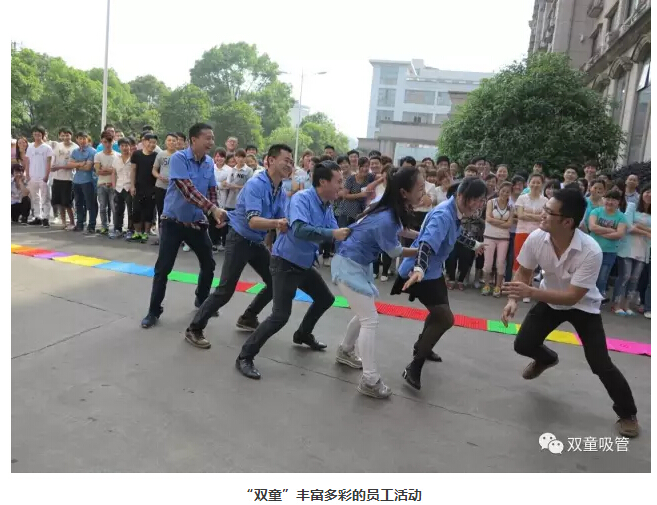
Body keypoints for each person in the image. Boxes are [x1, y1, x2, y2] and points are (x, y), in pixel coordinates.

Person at [501, 188, 639, 438]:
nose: (542, 214)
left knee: (600, 363)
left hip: (583, 306)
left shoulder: (591, 251)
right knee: (523, 344)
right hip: (549, 299)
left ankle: (628, 414)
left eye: (548, 211)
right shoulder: (537, 238)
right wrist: (513, 299)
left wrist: (530, 292)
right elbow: (524, 272)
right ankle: (546, 359)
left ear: (567, 222)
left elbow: (572, 297)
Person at [236, 161, 351, 379]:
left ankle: (303, 334)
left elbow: (335, 231)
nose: (341, 186)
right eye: (338, 181)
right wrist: (333, 235)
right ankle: (245, 356)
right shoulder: (302, 199)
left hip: (304, 263)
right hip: (285, 263)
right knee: (280, 316)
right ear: (323, 182)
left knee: (325, 299)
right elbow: (299, 229)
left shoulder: (327, 205)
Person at [184, 144, 293, 347]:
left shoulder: (279, 189)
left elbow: (284, 218)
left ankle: (248, 317)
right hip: (240, 239)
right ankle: (194, 329)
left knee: (275, 282)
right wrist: (278, 224)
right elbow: (254, 221)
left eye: (291, 161)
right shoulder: (256, 185)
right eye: (286, 160)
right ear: (270, 160)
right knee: (225, 290)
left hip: (256, 242)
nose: (290, 164)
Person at [332, 167, 424, 398]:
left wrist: (421, 235)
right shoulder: (386, 217)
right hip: (348, 264)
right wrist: (422, 250)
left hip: (357, 264)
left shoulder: (391, 209)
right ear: (404, 192)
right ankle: (370, 380)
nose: (423, 192)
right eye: (420, 188)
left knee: (365, 313)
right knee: (370, 319)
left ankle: (345, 350)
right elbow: (394, 251)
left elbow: (401, 230)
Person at [393, 177, 488, 390]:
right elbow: (426, 245)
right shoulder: (443, 215)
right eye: (476, 199)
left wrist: (474, 244)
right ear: (461, 196)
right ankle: (414, 366)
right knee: (445, 318)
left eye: (482, 200)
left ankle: (422, 346)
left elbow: (454, 234)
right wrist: (419, 269)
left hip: (433, 272)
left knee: (438, 314)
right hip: (420, 273)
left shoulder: (454, 212)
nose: (479, 204)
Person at [141, 123, 227, 330]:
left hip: (196, 223)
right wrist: (212, 209)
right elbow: (186, 190)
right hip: (173, 222)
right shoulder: (179, 158)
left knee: (209, 264)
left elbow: (211, 189)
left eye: (212, 138)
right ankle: (153, 311)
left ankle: (202, 300)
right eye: (207, 138)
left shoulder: (208, 163)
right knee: (163, 268)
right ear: (194, 140)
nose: (211, 142)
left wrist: (215, 213)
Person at [611, 184, 651, 315]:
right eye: (647, 192)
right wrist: (647, 232)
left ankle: (627, 305)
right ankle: (616, 304)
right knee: (625, 276)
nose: (650, 195)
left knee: (635, 278)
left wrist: (638, 225)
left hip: (643, 249)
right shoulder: (632, 206)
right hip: (627, 247)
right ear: (642, 193)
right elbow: (627, 226)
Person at [481, 181, 513, 297]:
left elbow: (509, 224)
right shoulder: (491, 202)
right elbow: (488, 218)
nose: (505, 193)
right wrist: (502, 222)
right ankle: (486, 285)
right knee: (488, 262)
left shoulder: (511, 206)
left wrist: (497, 222)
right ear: (499, 190)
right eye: (503, 191)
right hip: (489, 236)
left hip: (504, 237)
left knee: (500, 262)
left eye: (507, 192)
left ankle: (498, 286)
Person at [129, 133, 158, 243]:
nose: (152, 144)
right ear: (144, 142)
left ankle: (146, 233)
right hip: (138, 187)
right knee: (136, 210)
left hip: (152, 187)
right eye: (150, 142)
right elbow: (133, 170)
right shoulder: (136, 154)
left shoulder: (157, 156)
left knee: (149, 211)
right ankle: (137, 232)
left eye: (154, 143)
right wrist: (132, 186)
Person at [24, 125, 54, 227]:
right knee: (35, 198)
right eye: (35, 132)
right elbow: (28, 161)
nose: (37, 134)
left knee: (45, 198)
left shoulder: (47, 148)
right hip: (32, 176)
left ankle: (46, 218)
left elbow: (49, 163)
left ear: (43, 134)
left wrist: (47, 175)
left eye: (39, 133)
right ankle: (38, 217)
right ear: (33, 134)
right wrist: (27, 174)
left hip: (43, 176)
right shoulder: (30, 147)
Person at [69, 132, 97, 233]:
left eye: (84, 138)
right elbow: (69, 164)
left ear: (87, 139)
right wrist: (81, 163)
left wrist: (76, 165)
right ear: (77, 139)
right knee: (78, 204)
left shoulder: (92, 151)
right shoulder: (75, 151)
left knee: (90, 204)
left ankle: (91, 225)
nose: (82, 141)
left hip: (88, 181)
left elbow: (88, 167)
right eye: (80, 138)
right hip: (76, 181)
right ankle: (79, 224)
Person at [50, 128, 78, 230]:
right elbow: (53, 158)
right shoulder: (58, 146)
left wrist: (59, 167)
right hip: (57, 177)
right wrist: (53, 167)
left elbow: (73, 164)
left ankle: (72, 222)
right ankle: (63, 222)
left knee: (67, 202)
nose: (65, 137)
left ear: (71, 135)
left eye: (67, 135)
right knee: (59, 202)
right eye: (63, 135)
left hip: (69, 178)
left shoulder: (75, 147)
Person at [152, 133, 177, 245]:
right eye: (169, 140)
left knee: (174, 213)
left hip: (175, 189)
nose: (171, 142)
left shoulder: (180, 155)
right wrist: (159, 176)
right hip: (160, 187)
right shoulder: (161, 154)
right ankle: (162, 237)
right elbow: (154, 170)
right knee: (161, 212)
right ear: (166, 142)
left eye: (173, 140)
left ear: (177, 142)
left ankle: (174, 237)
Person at [94, 131, 118, 235]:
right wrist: (111, 170)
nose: (107, 144)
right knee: (103, 207)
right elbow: (98, 171)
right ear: (101, 142)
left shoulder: (117, 155)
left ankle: (116, 227)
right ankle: (104, 226)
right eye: (105, 142)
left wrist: (106, 169)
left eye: (109, 142)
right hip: (101, 184)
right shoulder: (98, 155)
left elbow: (117, 171)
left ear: (113, 142)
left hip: (113, 184)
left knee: (114, 208)